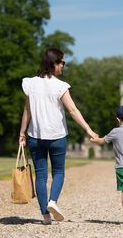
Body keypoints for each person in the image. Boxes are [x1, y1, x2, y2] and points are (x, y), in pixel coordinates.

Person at [18, 48, 97, 225]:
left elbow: (27, 111)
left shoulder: (30, 83)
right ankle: (53, 201)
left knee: (40, 176)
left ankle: (45, 216)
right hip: (57, 136)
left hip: (35, 136)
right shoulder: (60, 86)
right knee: (59, 172)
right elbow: (73, 110)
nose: (63, 66)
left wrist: (22, 133)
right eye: (62, 63)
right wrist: (88, 130)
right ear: (54, 64)